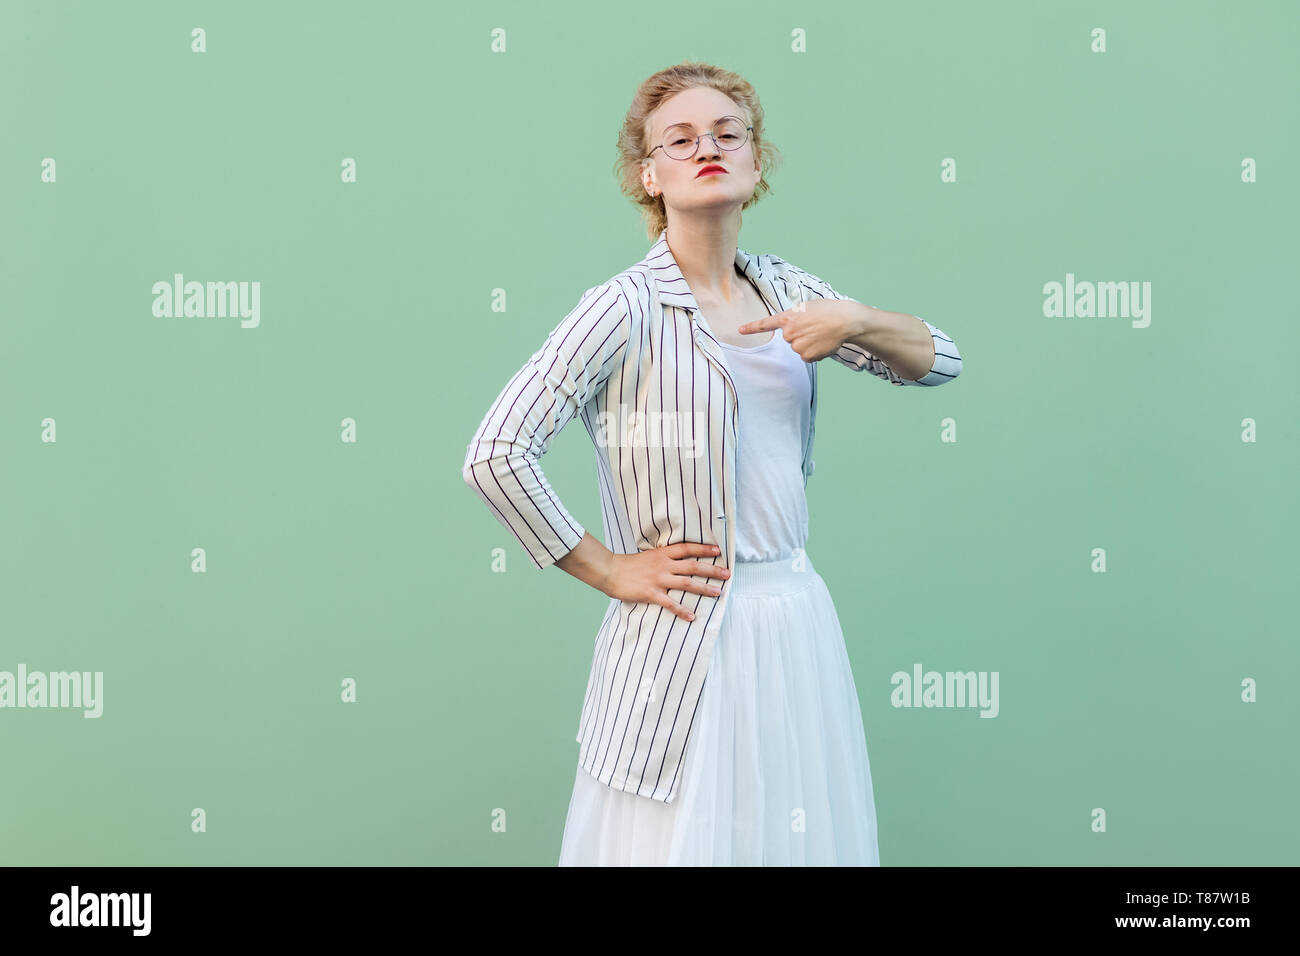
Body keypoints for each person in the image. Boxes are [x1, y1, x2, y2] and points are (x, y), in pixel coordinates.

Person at [462, 61, 962, 865]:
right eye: (681, 138)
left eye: (728, 134)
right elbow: (496, 453)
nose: (708, 148)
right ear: (647, 173)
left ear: (756, 163)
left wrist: (859, 320)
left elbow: (939, 362)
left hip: (794, 619)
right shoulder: (620, 308)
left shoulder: (790, 292)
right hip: (682, 635)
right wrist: (609, 569)